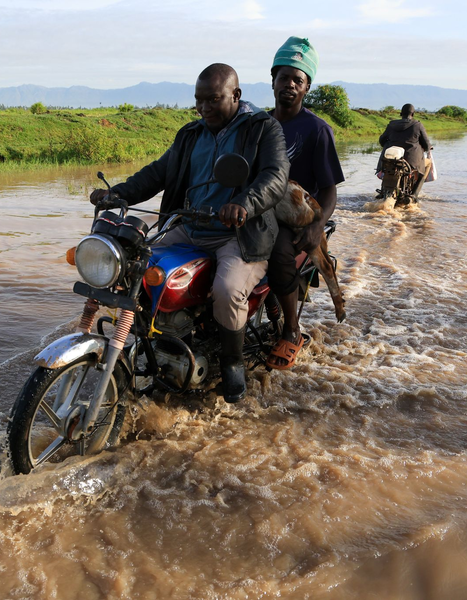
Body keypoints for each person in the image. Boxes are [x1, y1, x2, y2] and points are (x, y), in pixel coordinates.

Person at [89, 63, 289, 403]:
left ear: (235, 95)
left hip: (238, 234)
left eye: (213, 99)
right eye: (199, 100)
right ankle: (151, 342)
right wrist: (117, 194)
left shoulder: (262, 129)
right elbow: (157, 173)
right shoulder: (190, 134)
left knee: (227, 291)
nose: (204, 108)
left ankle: (232, 363)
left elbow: (275, 175)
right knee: (133, 268)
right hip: (188, 226)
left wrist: (243, 202)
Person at [265, 36, 345, 370]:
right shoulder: (259, 125)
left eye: (298, 80)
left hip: (294, 217)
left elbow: (329, 191)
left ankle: (292, 329)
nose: (290, 85)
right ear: (273, 81)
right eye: (284, 77)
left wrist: (316, 226)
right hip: (259, 209)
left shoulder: (317, 129)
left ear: (306, 88)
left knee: (280, 251)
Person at [378, 103, 431, 179]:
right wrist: (428, 147)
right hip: (411, 162)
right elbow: (426, 145)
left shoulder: (391, 124)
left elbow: (382, 141)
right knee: (428, 163)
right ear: (412, 114)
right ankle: (416, 190)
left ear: (401, 113)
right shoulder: (418, 125)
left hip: (390, 160)